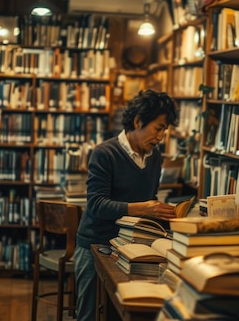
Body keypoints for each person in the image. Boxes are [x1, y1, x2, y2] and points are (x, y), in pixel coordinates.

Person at [74, 89, 179, 321]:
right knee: (89, 315)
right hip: (96, 243)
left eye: (165, 130)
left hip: (132, 247)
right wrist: (144, 208)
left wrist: (166, 215)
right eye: (158, 128)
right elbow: (97, 205)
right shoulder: (104, 153)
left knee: (122, 314)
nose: (161, 136)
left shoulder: (154, 156)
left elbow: (149, 197)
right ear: (138, 121)